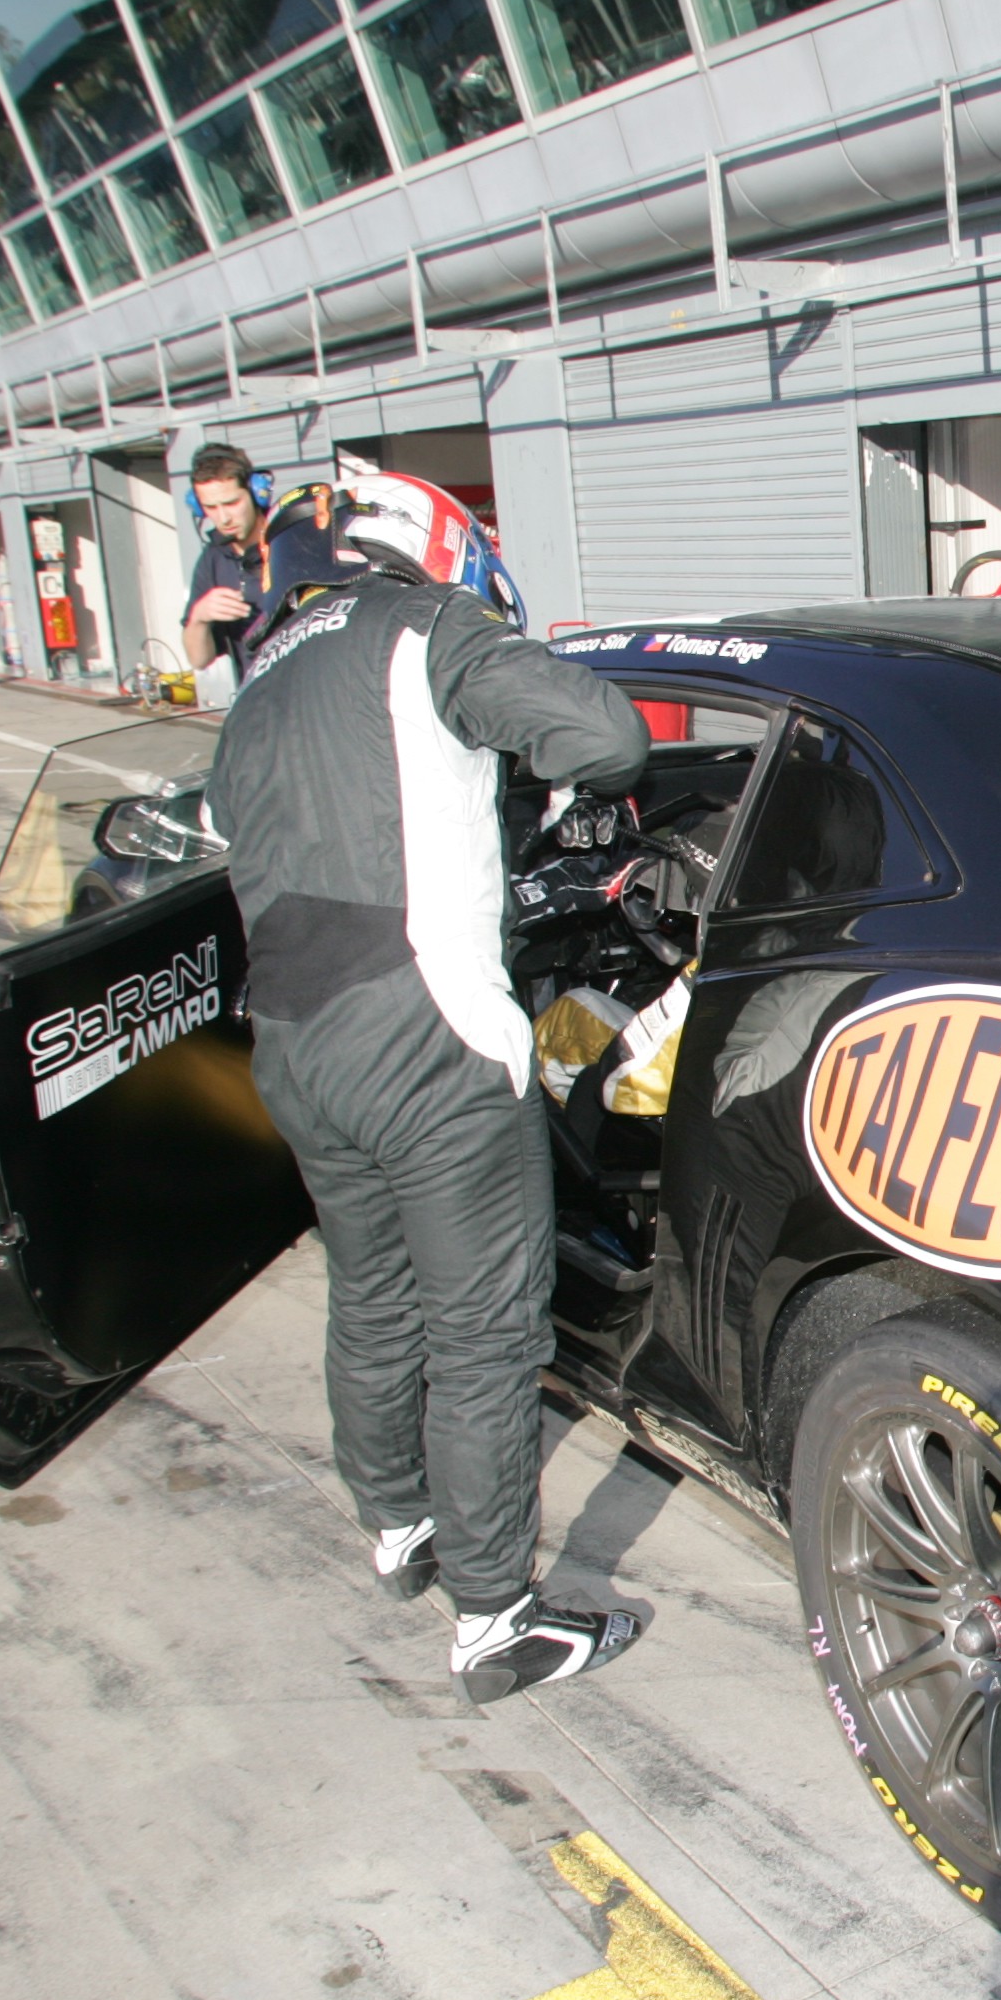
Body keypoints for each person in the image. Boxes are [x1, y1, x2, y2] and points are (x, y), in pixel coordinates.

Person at [207, 474, 654, 1702]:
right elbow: (610, 739)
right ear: (450, 552)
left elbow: (248, 831)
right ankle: (496, 1619)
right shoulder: (432, 626)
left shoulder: (262, 675)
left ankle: (399, 1525)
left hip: (291, 1034)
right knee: (485, 1333)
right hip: (429, 1035)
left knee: (371, 1292)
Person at [180, 443, 272, 676]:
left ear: (256, 493)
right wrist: (199, 618)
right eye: (211, 507)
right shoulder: (212, 560)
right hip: (256, 695)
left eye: (231, 503)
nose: (223, 518)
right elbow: (198, 660)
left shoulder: (292, 542)